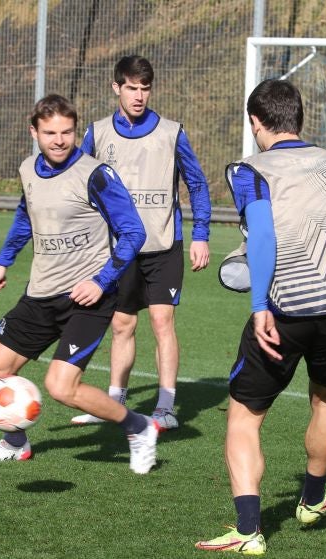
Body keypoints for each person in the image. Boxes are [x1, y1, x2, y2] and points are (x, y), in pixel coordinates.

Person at [195, 79, 326, 555]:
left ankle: (248, 531)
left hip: (285, 310)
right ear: (299, 118)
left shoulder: (251, 169)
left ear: (255, 122)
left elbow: (263, 236)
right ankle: (310, 501)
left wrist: (259, 303)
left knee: (244, 418)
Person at [0, 94, 159, 474]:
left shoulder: (96, 175)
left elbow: (133, 232)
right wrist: (3, 261)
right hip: (41, 292)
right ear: (34, 132)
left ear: (75, 130)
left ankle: (139, 427)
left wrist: (100, 279)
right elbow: (27, 216)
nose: (59, 140)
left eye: (67, 132)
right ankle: (15, 443)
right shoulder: (28, 170)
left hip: (87, 298)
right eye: (50, 132)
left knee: (61, 387)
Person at [70, 55, 213, 430]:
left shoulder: (171, 132)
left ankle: (165, 408)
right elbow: (78, 185)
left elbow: (196, 184)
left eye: (145, 88)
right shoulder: (97, 133)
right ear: (116, 87)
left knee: (163, 321)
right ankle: (112, 402)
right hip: (118, 251)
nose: (139, 96)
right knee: (121, 325)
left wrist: (201, 235)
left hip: (164, 245)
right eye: (132, 88)